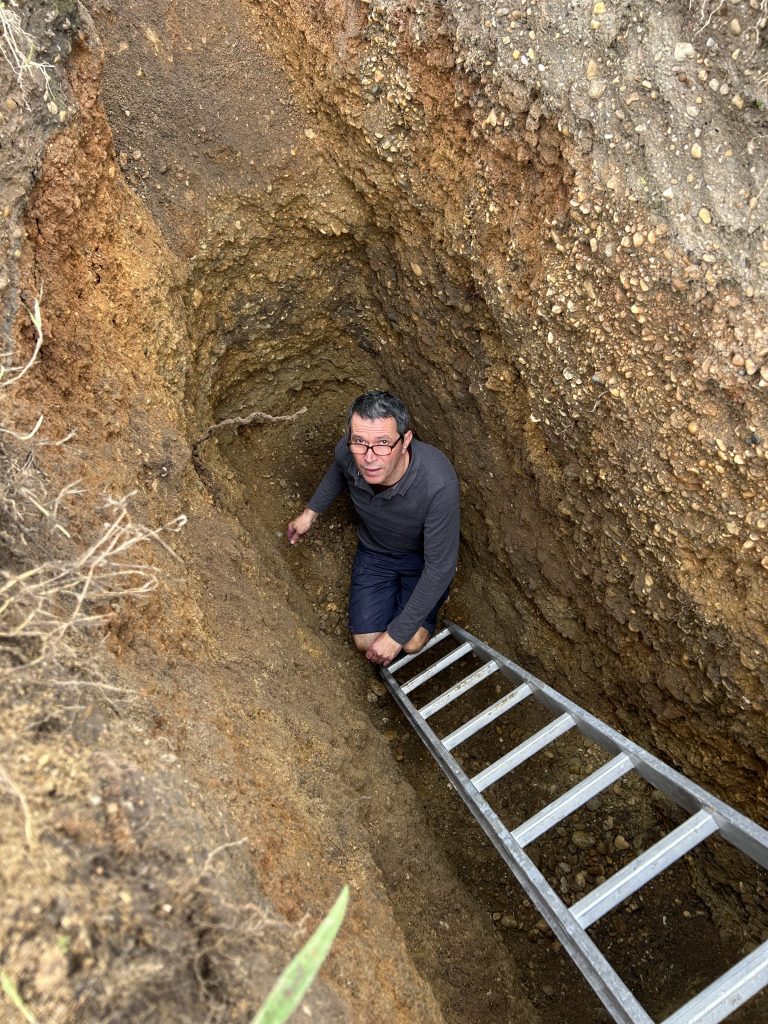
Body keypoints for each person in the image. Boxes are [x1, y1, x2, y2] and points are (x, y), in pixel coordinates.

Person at [287, 391, 460, 667]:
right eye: (359, 442)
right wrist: (309, 514)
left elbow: (440, 566)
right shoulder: (348, 452)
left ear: (405, 441)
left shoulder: (437, 483)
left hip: (421, 560)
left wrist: (394, 636)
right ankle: (397, 608)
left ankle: (413, 611)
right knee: (365, 643)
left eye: (382, 443)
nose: (368, 458)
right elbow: (338, 471)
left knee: (411, 642)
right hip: (375, 553)